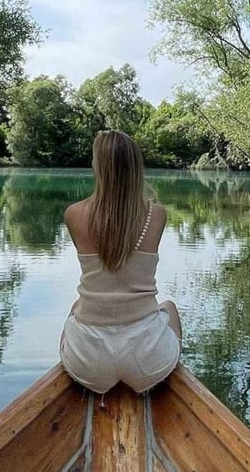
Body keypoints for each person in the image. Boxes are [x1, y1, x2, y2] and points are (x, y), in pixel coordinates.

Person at [59, 129, 182, 394]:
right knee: (169, 306)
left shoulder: (73, 215)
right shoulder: (157, 215)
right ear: (136, 168)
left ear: (98, 166)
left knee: (76, 307)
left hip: (89, 364)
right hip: (147, 362)